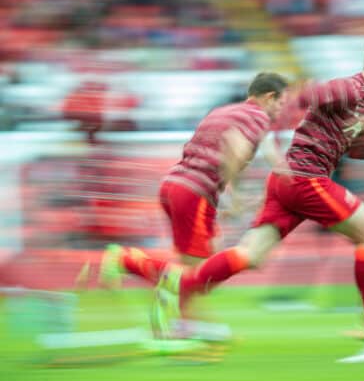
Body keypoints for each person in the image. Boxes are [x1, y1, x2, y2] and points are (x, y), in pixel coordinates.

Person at [155, 38, 364, 362]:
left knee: (250, 255)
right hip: (306, 177)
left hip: (287, 182)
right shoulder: (350, 89)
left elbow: (358, 150)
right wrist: (307, 96)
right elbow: (311, 96)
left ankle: (179, 285)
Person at [92, 72, 289, 338]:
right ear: (268, 97)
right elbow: (236, 149)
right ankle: (126, 261)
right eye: (281, 103)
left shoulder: (224, 111)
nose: (281, 110)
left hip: (176, 186)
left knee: (206, 267)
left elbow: (232, 151)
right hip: (194, 193)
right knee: (196, 274)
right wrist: (238, 197)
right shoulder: (258, 117)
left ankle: (177, 318)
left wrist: (228, 197)